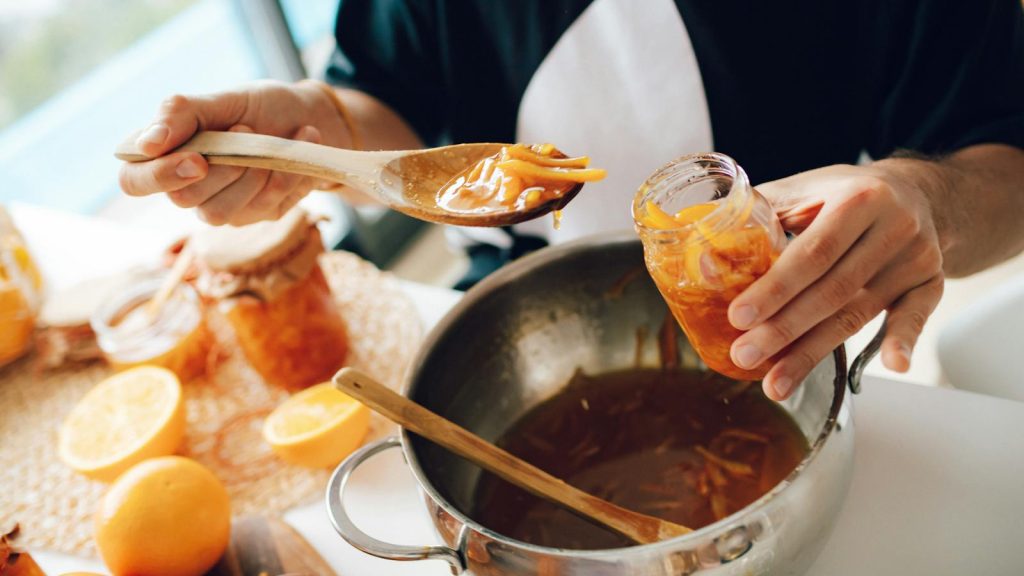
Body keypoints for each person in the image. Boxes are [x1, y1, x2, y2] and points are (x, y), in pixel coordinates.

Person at [118, 0, 1024, 401]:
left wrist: (927, 199)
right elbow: (385, 98)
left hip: (795, 324)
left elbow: (1004, 161)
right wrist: (315, 127)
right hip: (523, 336)